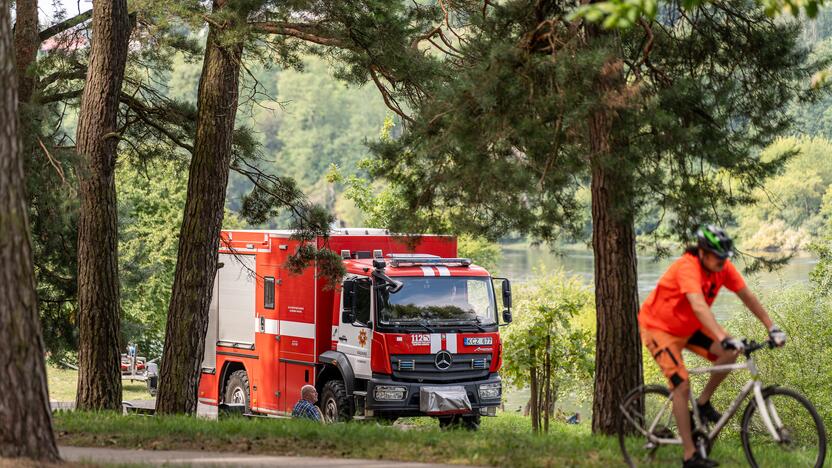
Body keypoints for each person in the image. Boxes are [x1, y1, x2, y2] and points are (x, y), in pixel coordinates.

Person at [639, 225, 786, 468]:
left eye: (724, 257)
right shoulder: (688, 267)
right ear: (703, 252)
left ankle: (703, 403)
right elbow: (698, 306)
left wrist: (771, 327)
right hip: (659, 328)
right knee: (681, 385)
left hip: (688, 329)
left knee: (730, 351)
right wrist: (721, 334)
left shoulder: (722, 268)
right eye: (718, 257)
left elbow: (747, 296)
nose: (722, 261)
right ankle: (689, 456)